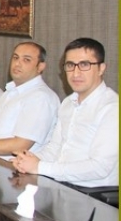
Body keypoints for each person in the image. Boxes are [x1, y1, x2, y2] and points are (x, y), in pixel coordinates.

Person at [13, 38, 118, 187]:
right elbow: (54, 148)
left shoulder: (112, 108)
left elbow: (100, 168)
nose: (76, 73)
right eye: (70, 65)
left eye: (84, 65)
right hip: (60, 184)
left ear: (101, 68)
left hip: (93, 194)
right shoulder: (68, 102)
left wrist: (40, 167)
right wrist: (28, 159)